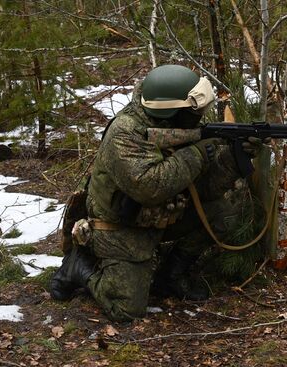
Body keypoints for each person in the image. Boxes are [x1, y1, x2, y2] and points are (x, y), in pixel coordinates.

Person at [50, 64, 267, 322]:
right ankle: (79, 269)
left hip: (161, 214)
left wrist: (233, 158)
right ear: (173, 111)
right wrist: (197, 153)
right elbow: (150, 187)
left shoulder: (176, 126)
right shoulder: (125, 132)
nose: (199, 117)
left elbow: (206, 189)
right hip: (119, 227)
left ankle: (171, 276)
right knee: (126, 310)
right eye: (193, 112)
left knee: (223, 213)